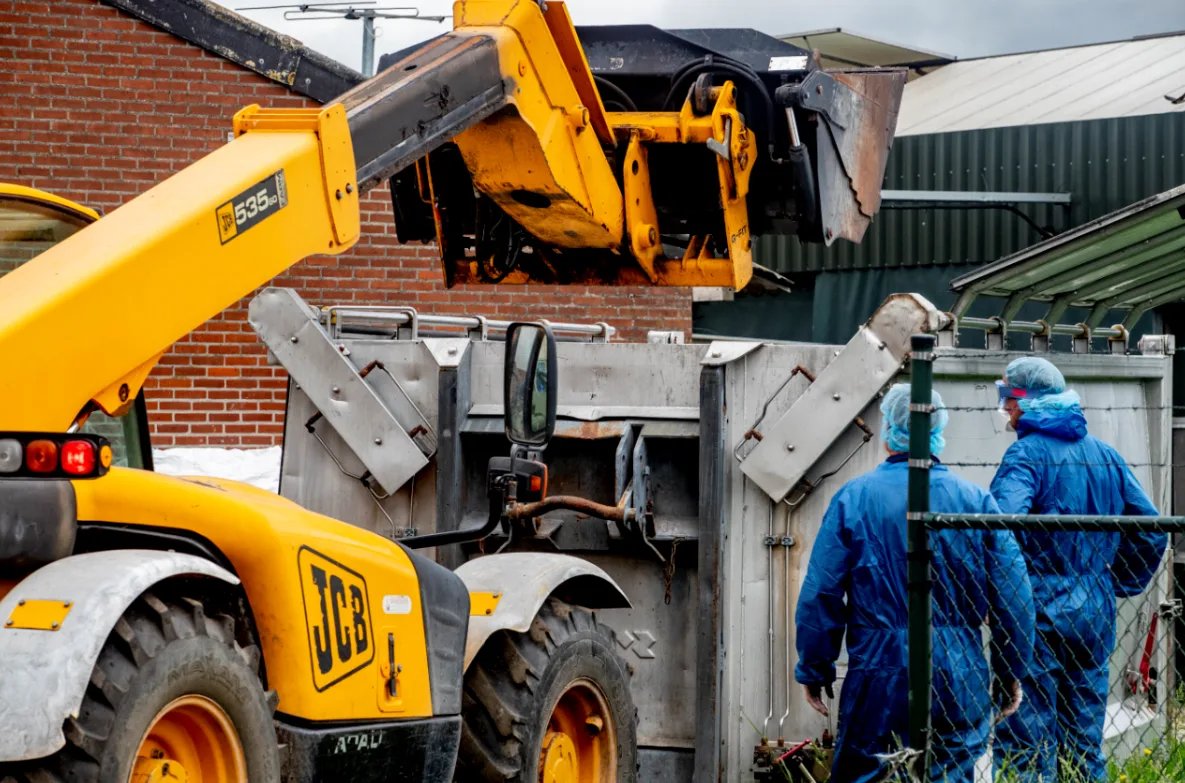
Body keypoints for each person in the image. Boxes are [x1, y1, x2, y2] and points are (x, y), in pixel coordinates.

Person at [795, 383, 1035, 783]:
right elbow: (1014, 596)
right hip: (958, 669)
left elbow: (822, 592)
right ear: (939, 430)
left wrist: (815, 668)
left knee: (871, 771)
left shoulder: (854, 499)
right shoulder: (975, 501)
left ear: (890, 431)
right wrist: (1010, 670)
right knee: (950, 771)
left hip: (880, 668)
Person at [991, 357, 1168, 782]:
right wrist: (1112, 582)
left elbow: (998, 530)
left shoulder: (1025, 455)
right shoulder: (1104, 456)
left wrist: (1005, 594)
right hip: (1093, 612)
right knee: (1083, 742)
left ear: (1030, 401)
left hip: (1037, 612)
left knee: (1026, 740)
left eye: (1008, 396)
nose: (1005, 407)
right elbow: (1151, 528)